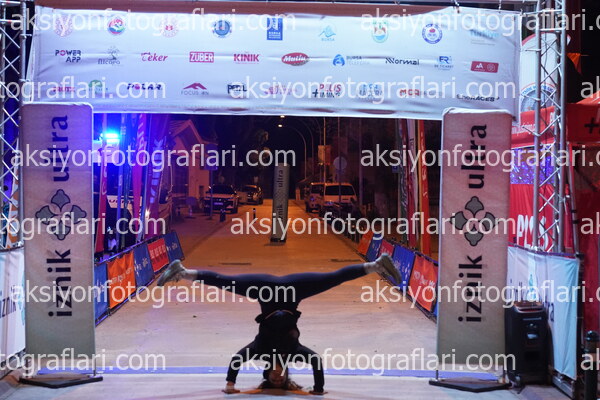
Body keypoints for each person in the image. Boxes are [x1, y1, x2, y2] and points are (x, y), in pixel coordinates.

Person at [157, 254, 399, 394]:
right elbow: (316, 362)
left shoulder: (259, 350)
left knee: (227, 282)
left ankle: (182, 272)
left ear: (267, 374)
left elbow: (237, 359)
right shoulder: (294, 352)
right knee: (333, 279)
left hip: (265, 290)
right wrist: (318, 389)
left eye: (273, 378)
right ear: (285, 375)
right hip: (294, 291)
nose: (276, 375)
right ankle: (377, 265)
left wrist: (230, 385)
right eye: (280, 379)